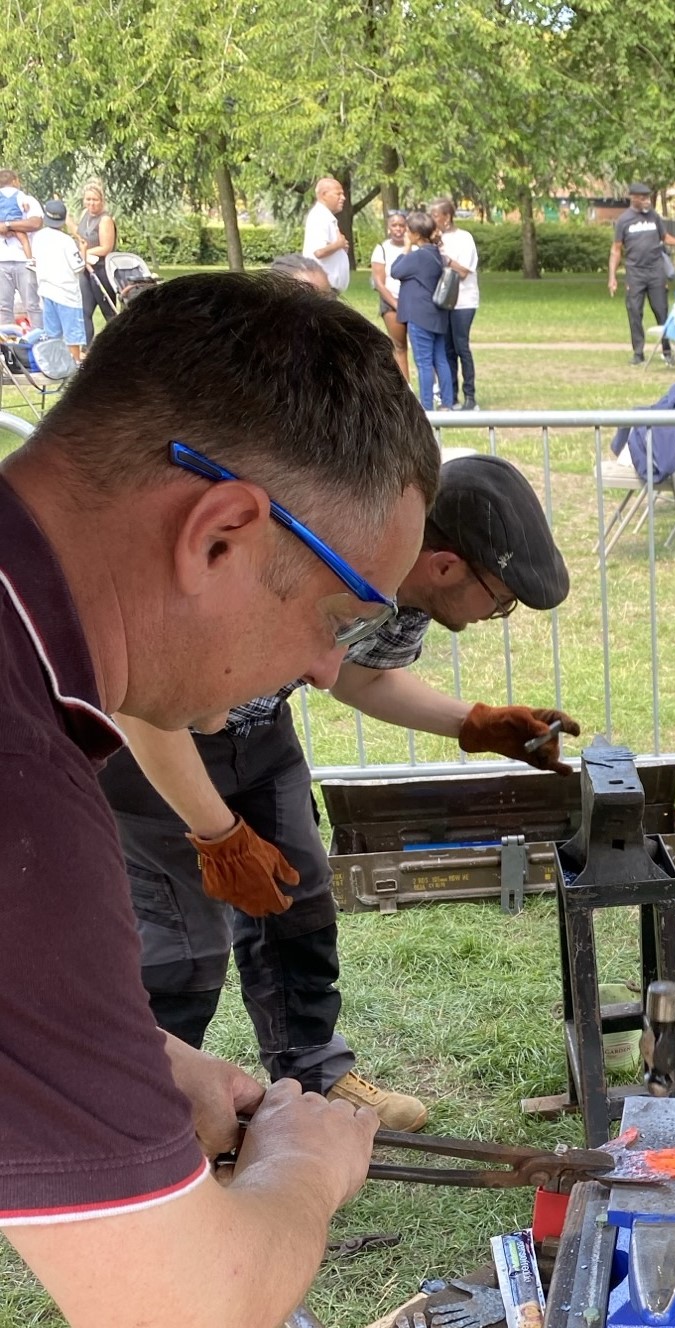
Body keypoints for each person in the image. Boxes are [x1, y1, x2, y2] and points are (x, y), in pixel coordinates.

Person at [0, 271, 438, 1328]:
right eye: (336, 619)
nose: (320, 667)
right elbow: (179, 1325)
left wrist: (143, 1058)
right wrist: (306, 1165)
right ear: (221, 537)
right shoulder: (21, 787)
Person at [101, 456, 578, 1135]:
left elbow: (359, 676)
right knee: (182, 948)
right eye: (499, 600)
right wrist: (216, 833)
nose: (496, 614)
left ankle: (314, 1077)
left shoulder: (405, 592)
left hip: (257, 730)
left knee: (299, 906)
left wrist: (474, 724)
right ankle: (155, 1116)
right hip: (150, 746)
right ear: (446, 565)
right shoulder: (295, 560)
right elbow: (144, 706)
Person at [607, 182, 675, 365]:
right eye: (643, 198)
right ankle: (638, 353)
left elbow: (665, 237)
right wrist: (612, 277)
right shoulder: (624, 220)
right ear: (633, 198)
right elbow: (616, 249)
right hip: (635, 274)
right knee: (635, 312)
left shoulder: (654, 217)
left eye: (647, 197)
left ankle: (667, 352)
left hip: (656, 272)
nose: (647, 201)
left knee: (662, 312)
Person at [390, 210, 453, 411]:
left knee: (424, 361)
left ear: (416, 234)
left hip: (419, 315)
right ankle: (447, 403)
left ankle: (426, 406)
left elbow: (395, 270)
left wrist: (406, 247)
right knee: (440, 359)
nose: (406, 234)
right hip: (438, 315)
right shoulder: (437, 254)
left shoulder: (418, 257)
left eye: (408, 231)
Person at [429, 197, 479, 410]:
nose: (432, 219)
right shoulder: (433, 240)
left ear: (447, 217)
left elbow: (464, 271)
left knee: (461, 347)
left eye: (435, 215)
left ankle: (470, 396)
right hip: (443, 302)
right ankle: (452, 396)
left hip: (463, 301)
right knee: (447, 349)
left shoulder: (464, 238)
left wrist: (446, 259)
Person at [32, 200, 86, 362]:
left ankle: (54, 365)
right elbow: (78, 266)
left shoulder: (38, 237)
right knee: (72, 335)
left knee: (52, 334)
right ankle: (74, 364)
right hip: (66, 295)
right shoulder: (66, 241)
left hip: (46, 291)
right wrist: (83, 250)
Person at [76, 179, 118, 343]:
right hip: (85, 269)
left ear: (102, 201)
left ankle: (116, 344)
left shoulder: (105, 220)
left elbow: (106, 247)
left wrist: (85, 253)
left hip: (101, 270)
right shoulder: (84, 214)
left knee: (108, 311)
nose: (91, 203)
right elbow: (80, 237)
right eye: (88, 199)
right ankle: (86, 347)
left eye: (95, 200)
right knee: (84, 311)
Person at [370, 210, 409, 380]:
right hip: (391, 302)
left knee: (424, 348)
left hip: (414, 302)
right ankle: (406, 387)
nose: (398, 229)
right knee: (399, 346)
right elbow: (379, 283)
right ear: (388, 227)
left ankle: (433, 389)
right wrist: (395, 304)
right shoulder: (382, 249)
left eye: (401, 225)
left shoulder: (414, 247)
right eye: (394, 225)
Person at [0, 167, 41, 326]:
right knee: (3, 306)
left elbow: (36, 222)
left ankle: (38, 336)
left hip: (23, 261)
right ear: (16, 181)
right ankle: (6, 339)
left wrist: (8, 225)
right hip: (2, 259)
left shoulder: (27, 200)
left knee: (31, 304)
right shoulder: (20, 197)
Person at [302, 175, 351, 294]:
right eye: (338, 194)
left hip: (327, 290)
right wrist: (338, 245)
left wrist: (341, 248)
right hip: (321, 289)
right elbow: (318, 252)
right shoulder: (319, 217)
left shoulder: (326, 217)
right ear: (324, 195)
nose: (343, 198)